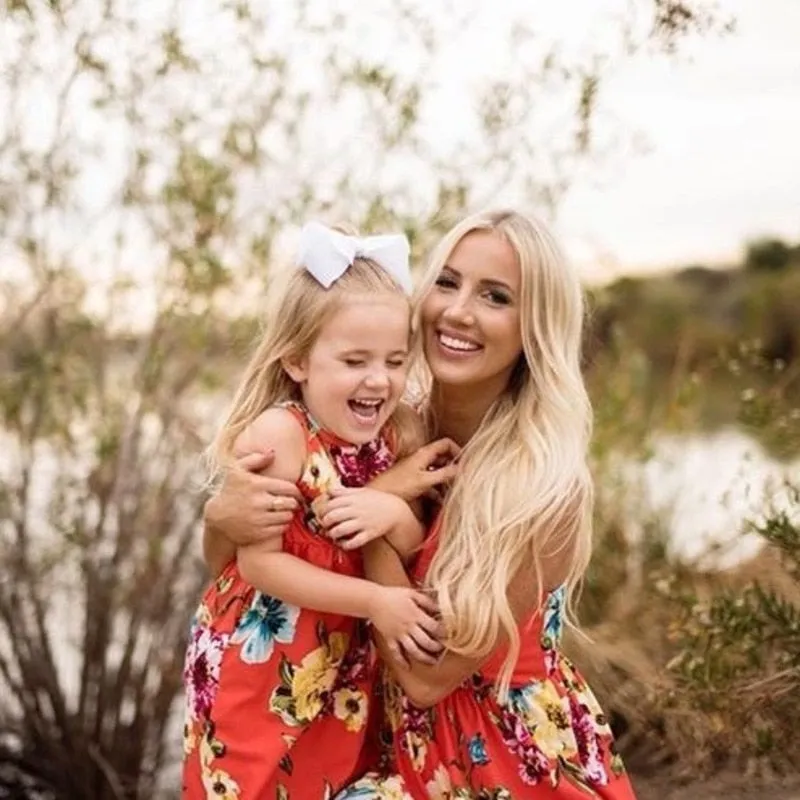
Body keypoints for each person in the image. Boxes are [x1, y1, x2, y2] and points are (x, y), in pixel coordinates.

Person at [205, 209, 638, 799]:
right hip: (383, 743)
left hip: (504, 761)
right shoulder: (384, 425)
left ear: (534, 327)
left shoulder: (542, 483)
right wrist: (219, 517)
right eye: (447, 282)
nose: (458, 311)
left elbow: (427, 676)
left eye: (495, 296)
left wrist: (382, 511)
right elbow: (245, 575)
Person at [182, 222, 444, 800]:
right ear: (298, 360)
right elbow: (259, 568)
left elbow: (414, 540)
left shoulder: (397, 432)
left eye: (396, 360)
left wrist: (396, 510)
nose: (379, 379)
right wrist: (377, 601)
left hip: (340, 670)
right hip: (260, 666)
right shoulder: (283, 435)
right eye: (354, 360)